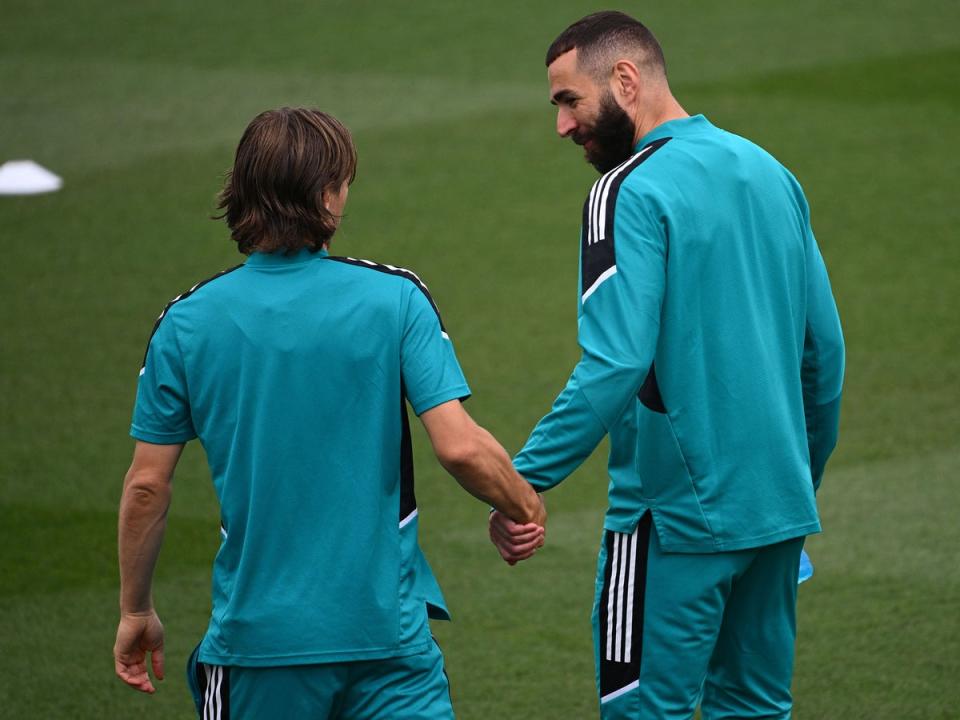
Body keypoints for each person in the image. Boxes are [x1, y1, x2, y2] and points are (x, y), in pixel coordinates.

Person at [114, 107, 545, 719]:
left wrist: (136, 610)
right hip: (389, 645)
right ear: (325, 195)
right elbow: (461, 447)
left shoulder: (185, 323)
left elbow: (147, 486)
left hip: (259, 648)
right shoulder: (395, 298)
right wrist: (523, 505)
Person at [489, 11, 844, 720]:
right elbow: (824, 359)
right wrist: (793, 485)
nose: (562, 125)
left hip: (671, 520)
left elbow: (616, 362)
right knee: (755, 709)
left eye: (568, 100)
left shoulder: (626, 189)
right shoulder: (770, 172)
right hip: (775, 513)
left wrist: (519, 479)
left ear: (625, 78)